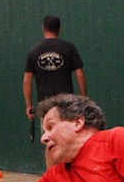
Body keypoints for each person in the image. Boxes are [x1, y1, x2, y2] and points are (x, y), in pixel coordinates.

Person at [23, 15, 86, 166]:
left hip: (45, 105)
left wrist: (29, 105)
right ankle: (71, 174)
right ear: (59, 29)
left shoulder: (33, 51)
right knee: (72, 138)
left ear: (43, 28)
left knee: (50, 142)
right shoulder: (69, 48)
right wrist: (83, 99)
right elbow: (80, 74)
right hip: (67, 105)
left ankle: (52, 177)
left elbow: (27, 80)